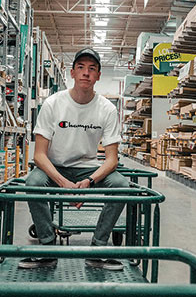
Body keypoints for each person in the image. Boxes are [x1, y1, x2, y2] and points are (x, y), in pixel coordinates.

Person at [18, 48, 129, 271]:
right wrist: (63, 184)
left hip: (87, 169)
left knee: (121, 186)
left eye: (92, 69)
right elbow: (39, 155)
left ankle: (97, 249)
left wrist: (89, 182)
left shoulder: (107, 109)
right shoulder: (53, 104)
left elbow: (112, 160)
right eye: (81, 68)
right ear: (72, 73)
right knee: (33, 184)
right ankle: (48, 249)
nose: (86, 73)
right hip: (54, 167)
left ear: (98, 75)